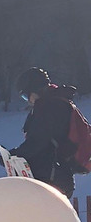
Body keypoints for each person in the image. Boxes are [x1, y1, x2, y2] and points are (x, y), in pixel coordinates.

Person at [11, 67, 77, 198]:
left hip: (52, 178)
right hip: (58, 177)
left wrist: (15, 155)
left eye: (26, 96)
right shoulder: (54, 103)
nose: (28, 101)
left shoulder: (49, 107)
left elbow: (39, 141)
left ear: (35, 90)